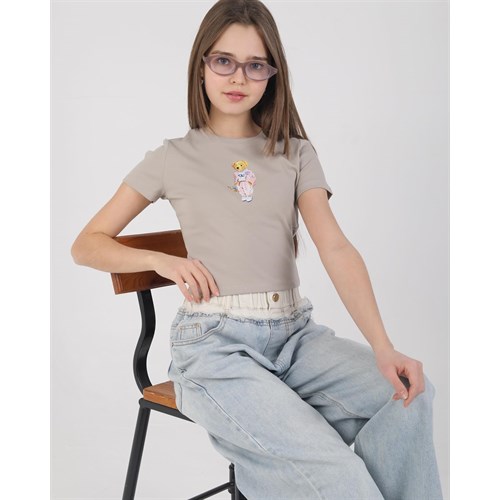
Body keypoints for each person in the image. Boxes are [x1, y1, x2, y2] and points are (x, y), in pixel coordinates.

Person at [71, 1, 443, 498]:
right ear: (201, 65)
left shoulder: (295, 152)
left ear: (272, 74)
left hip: (295, 338)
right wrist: (162, 261)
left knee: (409, 394)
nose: (238, 77)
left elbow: (335, 246)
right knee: (336, 474)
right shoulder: (170, 157)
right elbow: (86, 244)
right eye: (223, 60)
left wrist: (383, 348)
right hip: (214, 347)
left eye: (255, 65)